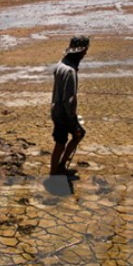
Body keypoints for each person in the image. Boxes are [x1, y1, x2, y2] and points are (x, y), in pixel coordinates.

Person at [50, 36, 89, 176]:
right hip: (64, 113)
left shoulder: (61, 63)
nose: (85, 54)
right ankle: (56, 171)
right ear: (80, 51)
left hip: (56, 109)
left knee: (62, 141)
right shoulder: (70, 71)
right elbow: (70, 100)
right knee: (66, 140)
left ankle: (59, 168)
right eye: (85, 51)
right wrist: (74, 121)